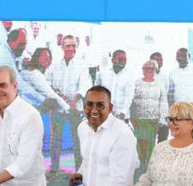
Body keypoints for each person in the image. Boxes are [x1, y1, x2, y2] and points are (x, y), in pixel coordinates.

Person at [45, 35, 91, 173]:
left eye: (73, 46)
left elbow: (85, 85)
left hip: (75, 110)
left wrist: (74, 100)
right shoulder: (55, 64)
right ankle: (53, 169)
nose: (71, 49)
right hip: (58, 109)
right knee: (55, 140)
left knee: (77, 141)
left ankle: (79, 172)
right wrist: (57, 95)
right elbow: (47, 81)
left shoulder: (82, 65)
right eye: (68, 46)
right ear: (62, 47)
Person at [130, 60, 168, 175]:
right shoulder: (136, 83)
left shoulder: (160, 84)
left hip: (153, 119)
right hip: (139, 118)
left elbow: (163, 102)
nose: (149, 71)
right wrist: (130, 117)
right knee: (140, 141)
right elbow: (130, 100)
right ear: (142, 70)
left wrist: (163, 118)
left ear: (155, 70)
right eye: (146, 68)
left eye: (151, 68)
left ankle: (149, 165)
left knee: (150, 142)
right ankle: (142, 164)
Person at [21, 47, 70, 112]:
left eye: (49, 58)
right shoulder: (33, 73)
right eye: (44, 57)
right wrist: (68, 108)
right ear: (36, 58)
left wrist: (59, 94)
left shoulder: (37, 72)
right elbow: (50, 93)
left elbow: (50, 88)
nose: (48, 60)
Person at [94, 50, 134, 122]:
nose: (123, 62)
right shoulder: (102, 73)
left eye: (125, 60)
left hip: (122, 116)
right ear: (112, 60)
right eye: (120, 59)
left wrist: (123, 112)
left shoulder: (129, 76)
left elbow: (129, 96)